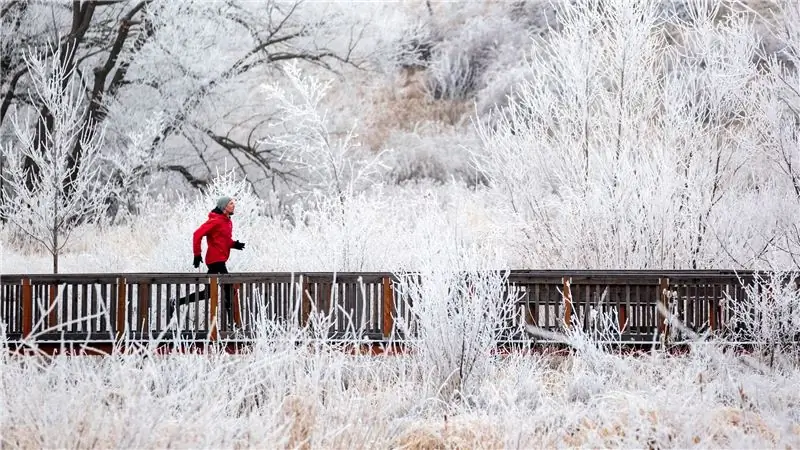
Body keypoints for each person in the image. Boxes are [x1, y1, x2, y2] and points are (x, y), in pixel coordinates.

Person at [168, 196, 245, 326]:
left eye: (234, 203)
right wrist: (197, 254)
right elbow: (197, 234)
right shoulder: (215, 220)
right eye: (231, 203)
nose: (234, 205)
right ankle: (232, 323)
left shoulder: (227, 221)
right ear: (224, 206)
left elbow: (223, 240)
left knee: (208, 293)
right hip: (216, 261)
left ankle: (176, 302)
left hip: (219, 260)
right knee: (229, 289)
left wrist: (234, 244)